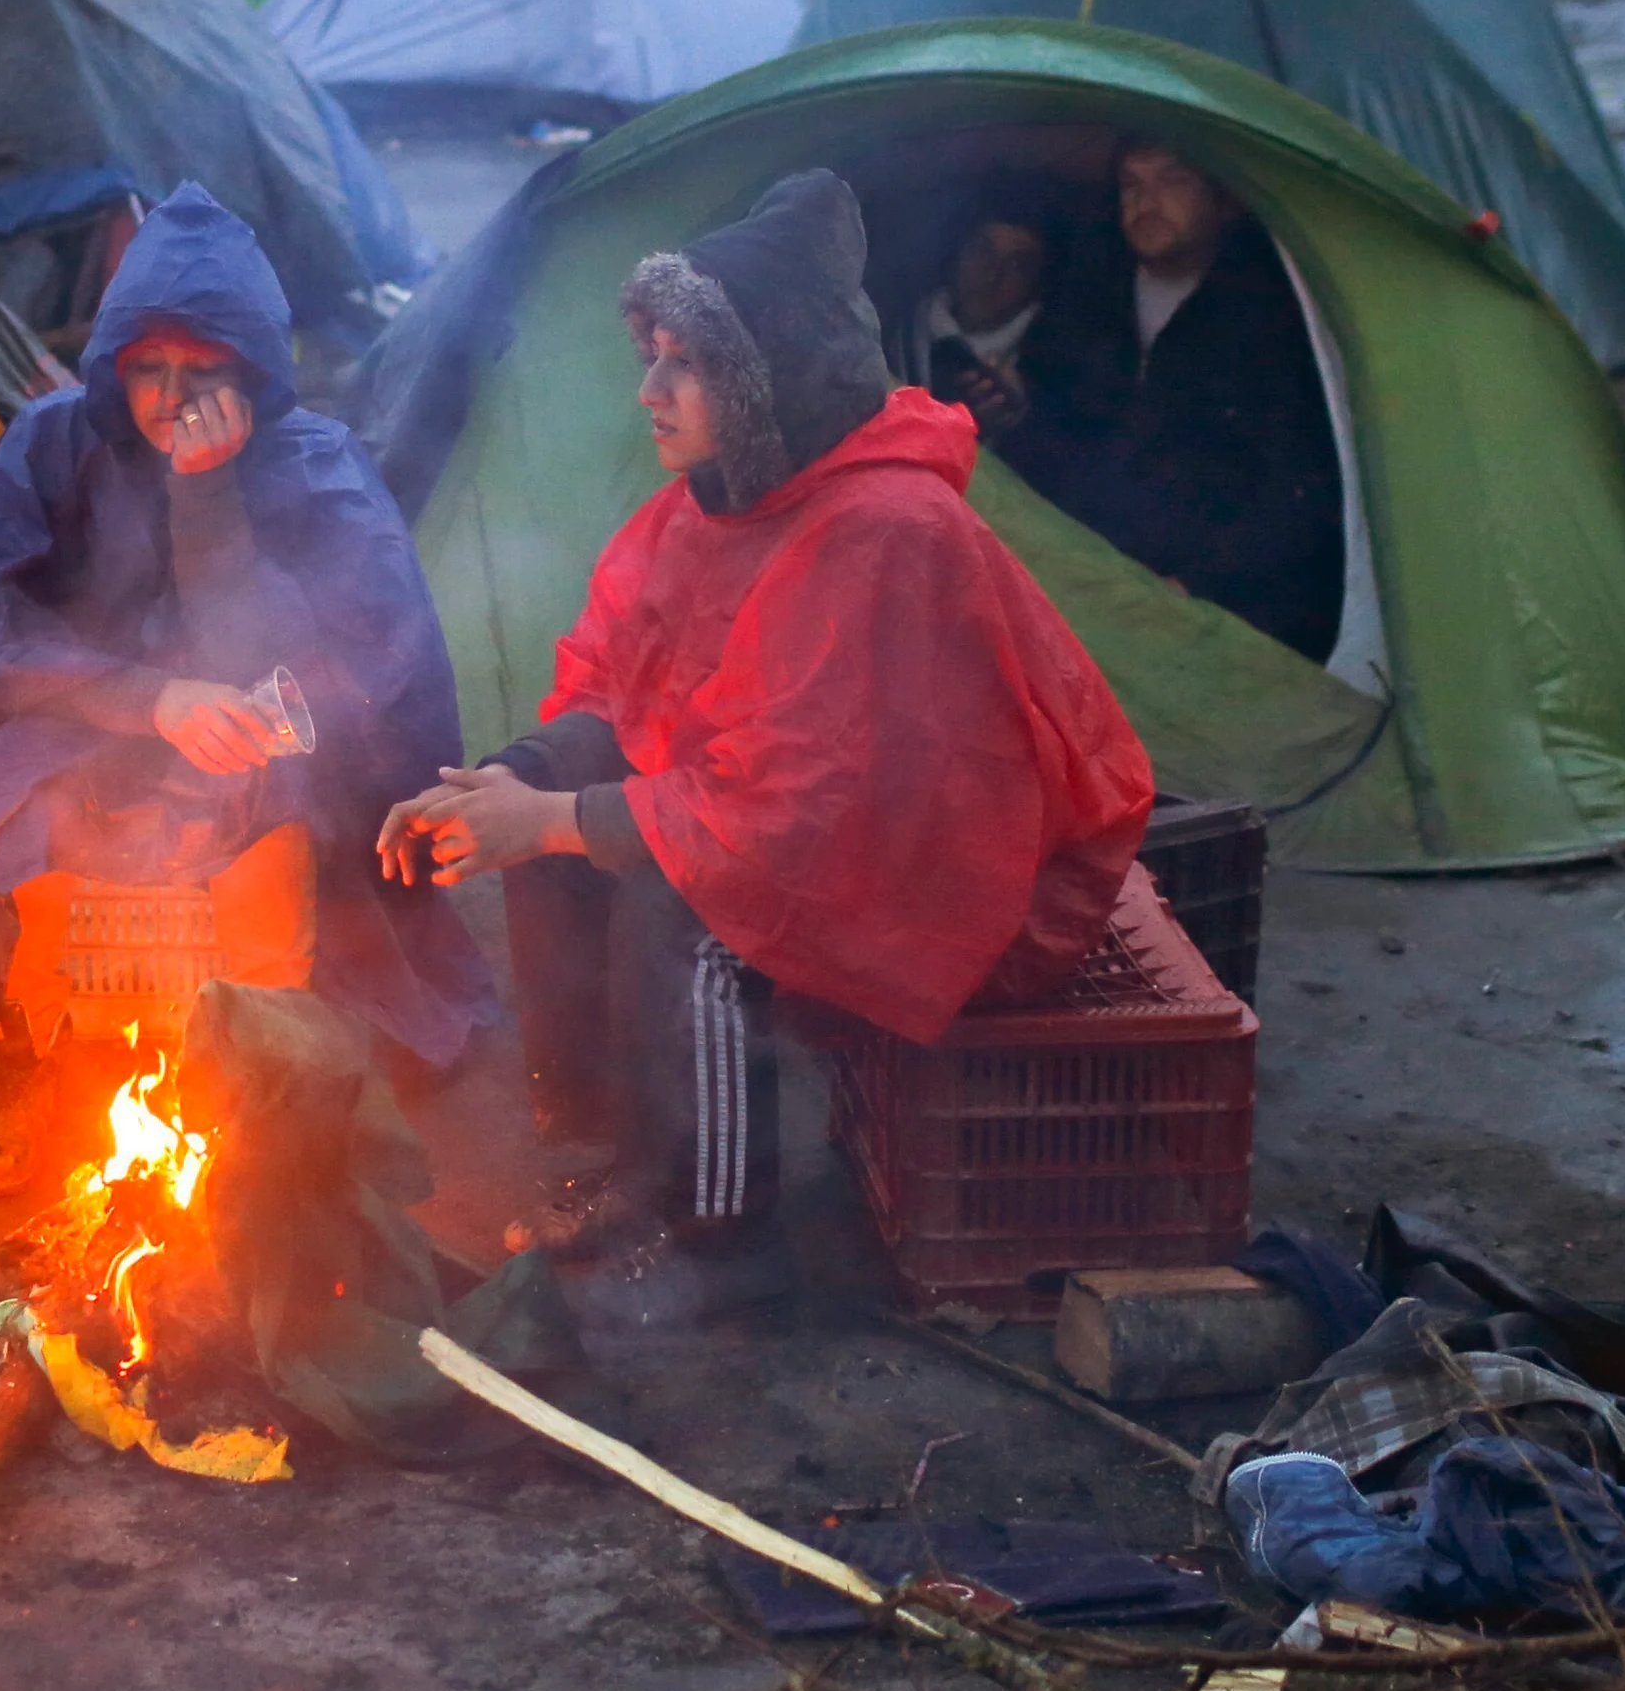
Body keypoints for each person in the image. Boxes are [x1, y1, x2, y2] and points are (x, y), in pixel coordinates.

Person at [378, 172, 1155, 1306]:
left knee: (688, 909)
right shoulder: (725, 496)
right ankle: (606, 1151)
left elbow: (797, 816)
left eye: (681, 364)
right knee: (566, 819)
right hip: (817, 829)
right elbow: (617, 681)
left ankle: (721, 1234)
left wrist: (551, 821)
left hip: (971, 881)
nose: (647, 390)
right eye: (649, 355)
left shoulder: (882, 529)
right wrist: (507, 785)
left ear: (765, 378)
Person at [0, 187, 493, 1196]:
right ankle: (27, 1064)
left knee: (278, 832)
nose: (171, 399)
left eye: (201, 373)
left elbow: (362, 686)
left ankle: (261, 1064)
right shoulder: (56, 443)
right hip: (82, 729)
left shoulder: (317, 470)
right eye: (148, 370)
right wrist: (143, 698)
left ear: (252, 376)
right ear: (114, 368)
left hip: (261, 759)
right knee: (3, 795)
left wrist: (207, 501)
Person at [1015, 141, 1346, 660]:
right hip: (1088, 595)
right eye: (1132, 185)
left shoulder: (1273, 319)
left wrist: (1200, 584)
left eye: (1174, 181)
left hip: (1222, 614)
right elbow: (1050, 433)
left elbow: (1297, 484)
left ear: (1224, 201)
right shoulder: (1086, 303)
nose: (1148, 203)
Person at [911, 215, 1047, 440]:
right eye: (983, 250)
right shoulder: (890, 321)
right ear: (959, 250)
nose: (993, 274)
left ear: (1036, 287)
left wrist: (1016, 422)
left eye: (1017, 266)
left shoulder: (1043, 382)